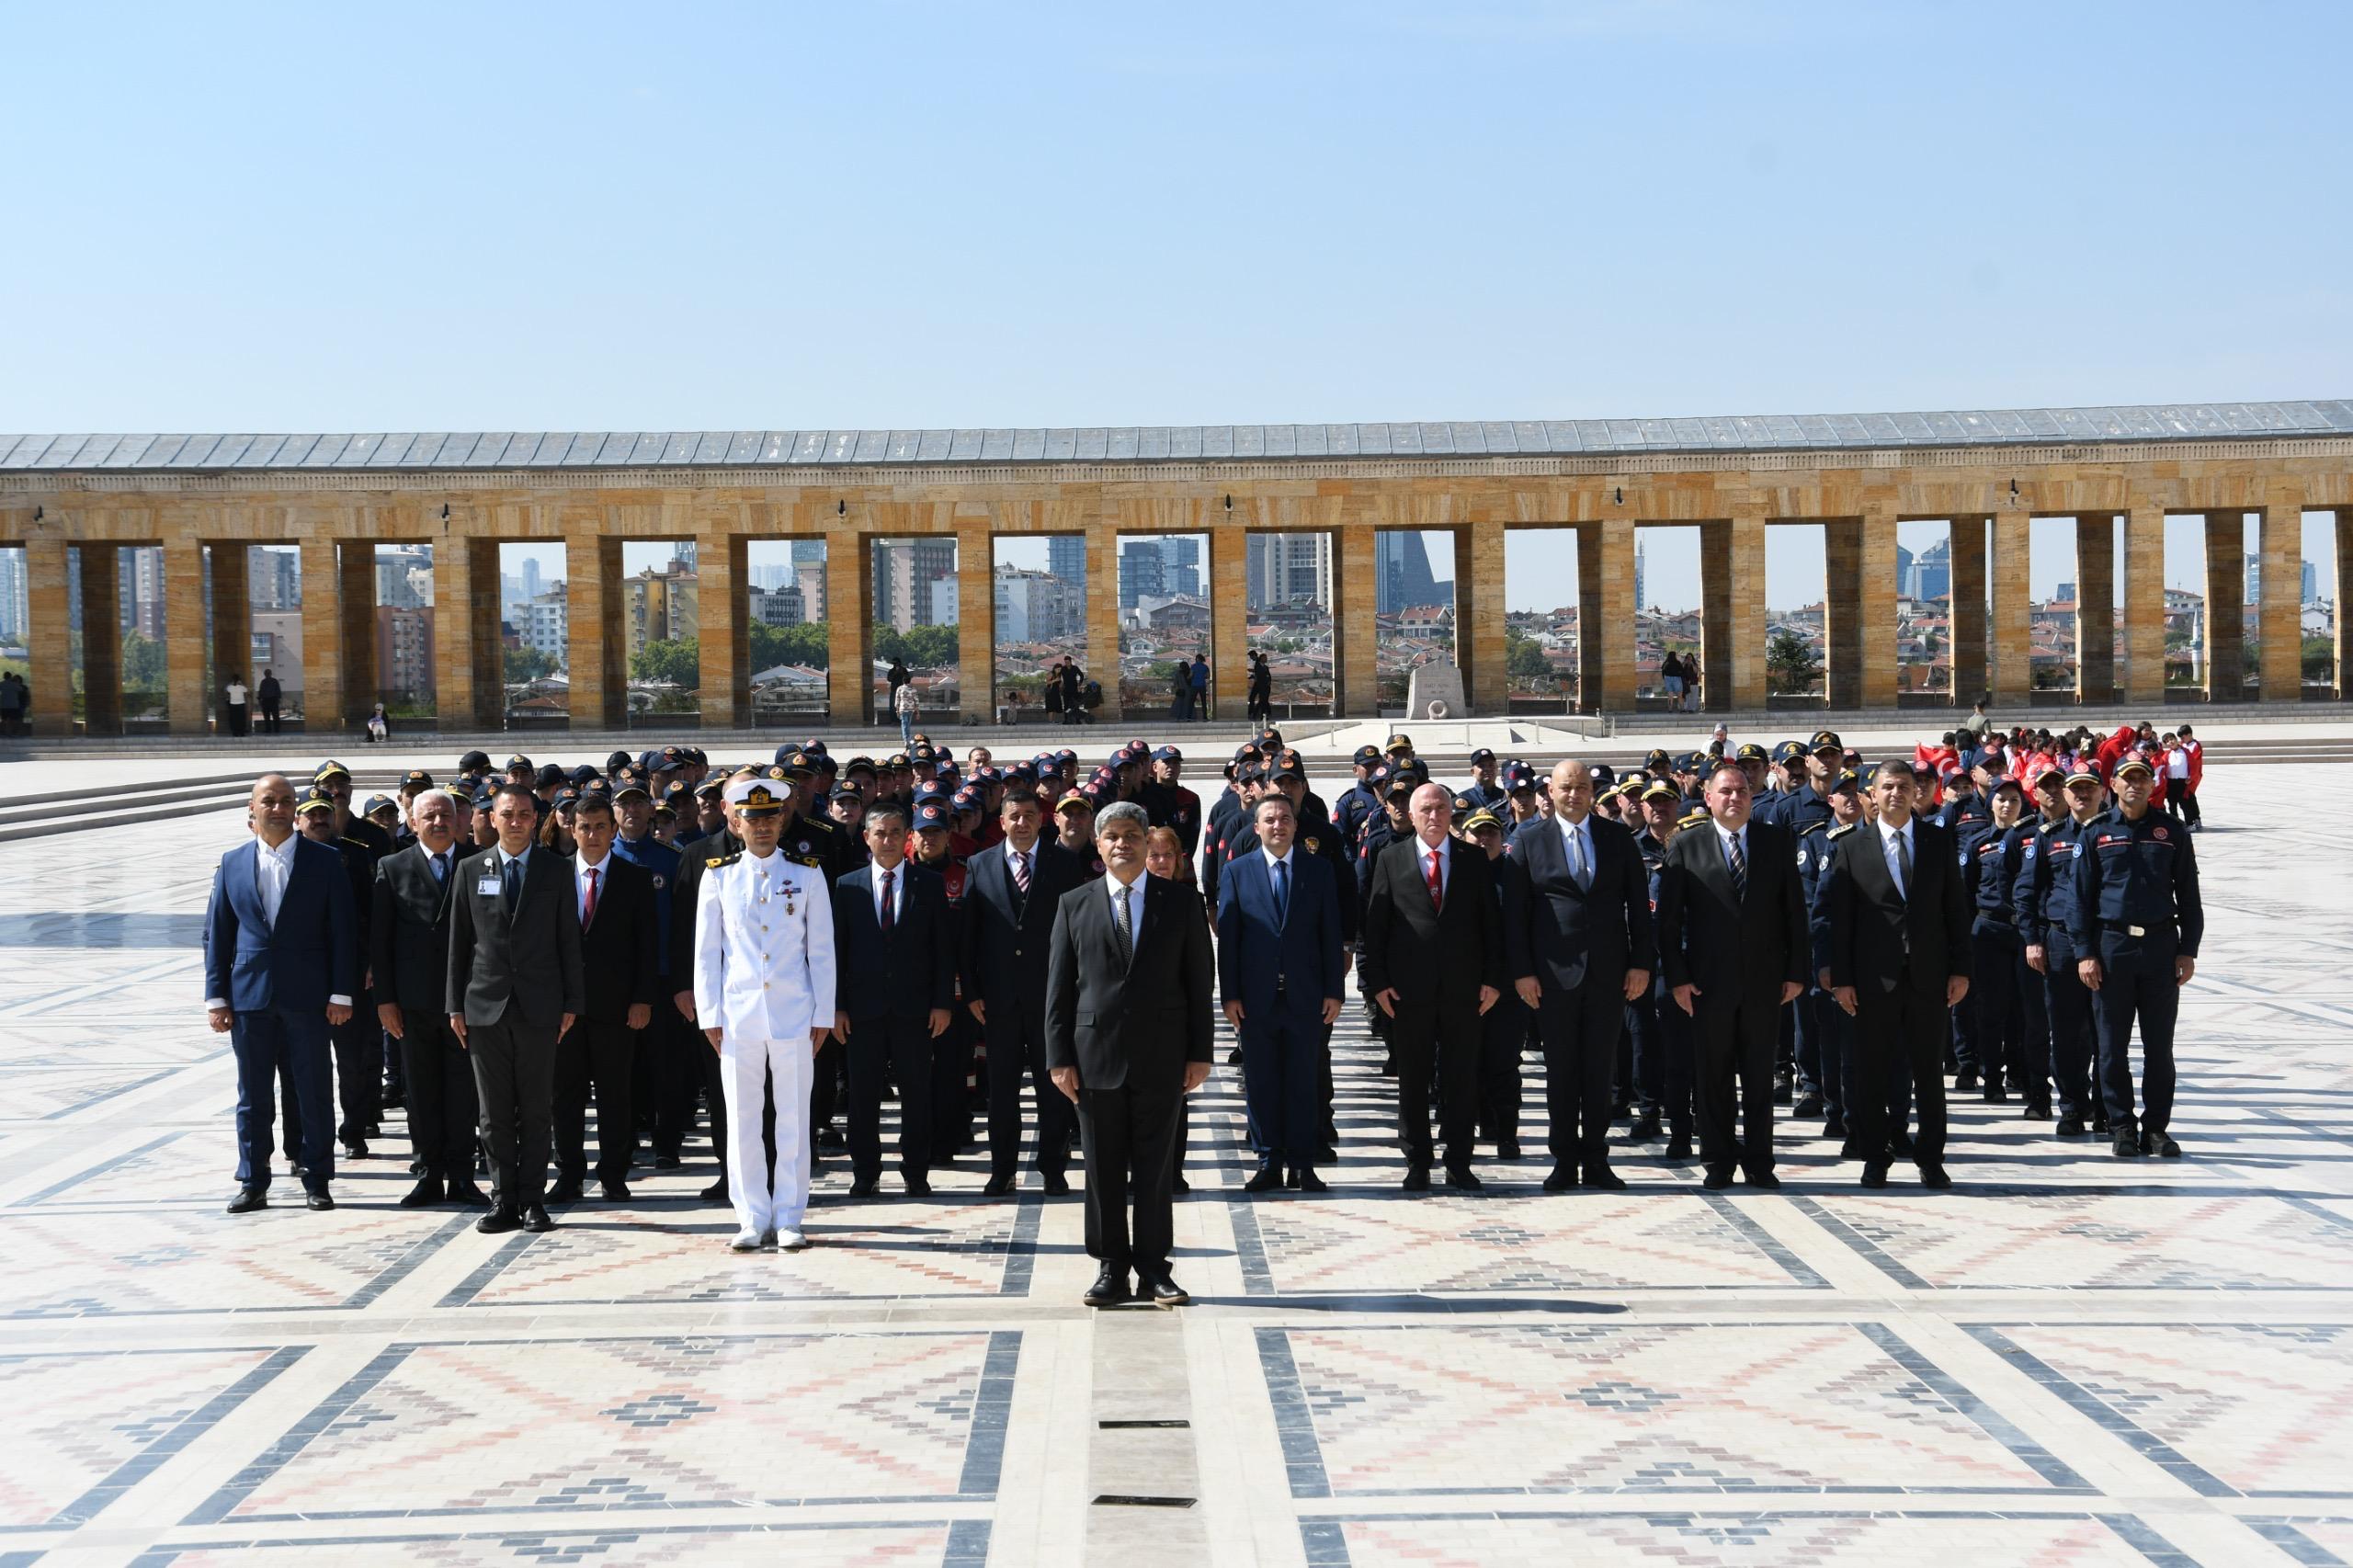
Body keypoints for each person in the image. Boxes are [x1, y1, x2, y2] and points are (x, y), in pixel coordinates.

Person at [1046, 801, 1214, 1308]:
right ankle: (1110, 1266)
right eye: (1112, 836)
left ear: (1147, 843)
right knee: (1101, 1168)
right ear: (1098, 846)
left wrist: (1199, 1053)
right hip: (1093, 1058)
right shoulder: (1074, 904)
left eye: (1132, 835)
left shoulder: (1181, 903)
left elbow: (1198, 982)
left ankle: (1155, 1268)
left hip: (1162, 1057)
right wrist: (1059, 1057)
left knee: (1156, 1169)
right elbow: (1059, 989)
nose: (1123, 843)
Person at [694, 777, 836, 1249]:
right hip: (738, 1014)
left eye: (770, 817)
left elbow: (821, 949)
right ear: (737, 823)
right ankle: (752, 1216)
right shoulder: (718, 875)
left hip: (794, 1011)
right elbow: (707, 952)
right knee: (743, 1119)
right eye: (753, 819)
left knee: (794, 1118)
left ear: (782, 820)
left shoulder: (807, 873)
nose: (762, 827)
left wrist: (823, 1013)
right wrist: (710, 1013)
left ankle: (791, 1214)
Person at [207, 775, 358, 1214]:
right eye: (267, 801)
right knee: (252, 1095)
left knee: (312, 1090)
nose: (276, 808)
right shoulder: (232, 862)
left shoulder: (324, 861)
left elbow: (342, 933)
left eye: (284, 801)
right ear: (251, 811)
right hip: (250, 998)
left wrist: (341, 994)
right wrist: (217, 997)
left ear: (295, 809)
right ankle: (253, 1179)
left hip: (309, 996)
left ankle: (317, 1176)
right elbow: (219, 934)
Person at [1654, 761, 1808, 1190]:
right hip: (1708, 985)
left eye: (1741, 790)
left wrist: (1796, 970)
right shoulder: (1687, 844)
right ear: (1708, 798)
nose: (1734, 798)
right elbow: (1669, 923)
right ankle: (1718, 1161)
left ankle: (1760, 1161)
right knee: (1714, 1077)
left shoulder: (1775, 842)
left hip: (1764, 983)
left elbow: (1794, 911)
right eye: (1725, 791)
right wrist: (1679, 978)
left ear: (1752, 795)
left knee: (1760, 1077)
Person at [1506, 757, 1656, 1192]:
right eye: (1565, 788)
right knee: (1561, 1072)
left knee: (1599, 1070)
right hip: (1553, 977)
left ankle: (1596, 1157)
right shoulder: (1529, 840)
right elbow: (1515, 916)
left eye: (1582, 788)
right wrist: (1523, 973)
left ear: (1592, 793)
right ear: (1549, 791)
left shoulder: (1617, 838)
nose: (1574, 795)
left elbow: (1638, 908)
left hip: (1609, 974)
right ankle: (1564, 1159)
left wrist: (1641, 963)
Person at [1823, 761, 1972, 1189]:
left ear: (1917, 792)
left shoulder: (1938, 841)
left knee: (1928, 1074)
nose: (1896, 794)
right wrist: (1843, 980)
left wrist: (1961, 968)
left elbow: (1955, 910)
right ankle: (1874, 1157)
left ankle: (1931, 1157)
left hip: (1928, 976)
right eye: (1887, 787)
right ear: (1872, 793)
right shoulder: (1852, 846)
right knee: (1871, 1072)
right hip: (1873, 981)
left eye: (1905, 786)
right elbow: (1841, 921)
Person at [447, 782, 585, 1235]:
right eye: (508, 813)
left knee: (536, 1107)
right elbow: (458, 944)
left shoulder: (555, 870)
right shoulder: (470, 868)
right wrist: (454, 1005)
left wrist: (571, 1002)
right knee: (494, 1112)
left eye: (525, 814)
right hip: (485, 1006)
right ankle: (502, 1198)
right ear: (491, 818)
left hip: (540, 1006)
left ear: (535, 818)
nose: (516, 821)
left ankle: (533, 1199)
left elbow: (569, 940)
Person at [1360, 781, 1504, 1190]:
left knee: (1461, 1078)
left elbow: (1491, 925)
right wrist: (1378, 984)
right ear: (1412, 814)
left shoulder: (1473, 859)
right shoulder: (1390, 859)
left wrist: (1493, 980)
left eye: (1441, 808)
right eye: (1425, 810)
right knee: (1413, 1078)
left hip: (1465, 991)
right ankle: (1417, 1160)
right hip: (1409, 993)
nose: (1434, 816)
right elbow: (1376, 927)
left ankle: (1459, 1160)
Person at [2068, 756, 2202, 1159]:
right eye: (2128, 779)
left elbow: (2190, 896)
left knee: (2159, 1047)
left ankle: (2157, 1128)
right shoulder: (2096, 833)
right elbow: (2079, 899)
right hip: (2111, 948)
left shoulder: (2172, 831)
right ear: (2113, 784)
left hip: (2160, 948)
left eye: (2142, 779)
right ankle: (2122, 1123)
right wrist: (2084, 953)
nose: (2135, 786)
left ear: (2153, 783)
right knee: (2111, 1047)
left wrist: (2188, 949)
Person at [1217, 791, 1347, 1193]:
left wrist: (1334, 991)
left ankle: (1303, 1163)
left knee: (1305, 1081)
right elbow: (1230, 940)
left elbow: (1330, 935)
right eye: (1270, 819)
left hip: (1306, 998)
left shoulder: (1319, 870)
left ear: (1295, 824)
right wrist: (1230, 995)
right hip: (1256, 1000)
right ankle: (1269, 1160)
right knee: (1262, 1082)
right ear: (1256, 828)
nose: (1278, 825)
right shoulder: (1238, 872)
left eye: (1285, 819)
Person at [963, 789, 1085, 1196]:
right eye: (1014, 815)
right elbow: (970, 933)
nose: (1022, 823)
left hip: (1051, 998)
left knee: (1055, 1087)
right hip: (998, 1000)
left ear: (1041, 819)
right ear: (1001, 821)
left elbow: (1077, 934)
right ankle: (1002, 1169)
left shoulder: (1064, 864)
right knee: (1001, 1090)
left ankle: (1054, 1167)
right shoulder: (979, 865)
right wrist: (974, 990)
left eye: (1029, 815)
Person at [832, 803, 956, 1196]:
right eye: (879, 833)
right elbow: (835, 951)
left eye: (895, 832)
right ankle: (865, 1171)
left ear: (907, 838)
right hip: (862, 1010)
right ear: (866, 837)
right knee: (863, 1094)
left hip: (915, 1009)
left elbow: (942, 949)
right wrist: (835, 1006)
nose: (887, 840)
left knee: (917, 1093)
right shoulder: (846, 885)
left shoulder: (928, 884)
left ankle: (916, 1171)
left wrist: (942, 1003)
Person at [369, 789, 485, 1209]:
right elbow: (380, 940)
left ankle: (462, 1174)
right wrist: (385, 1000)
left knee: (463, 1093)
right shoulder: (392, 866)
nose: (438, 823)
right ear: (412, 822)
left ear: (459, 822)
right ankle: (428, 1173)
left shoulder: (479, 864)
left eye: (445, 816)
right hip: (414, 1004)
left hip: (467, 1002)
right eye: (429, 816)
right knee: (420, 1092)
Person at [551, 790, 660, 1204]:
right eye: (585, 827)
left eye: (601, 827)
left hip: (618, 1008)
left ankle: (614, 1173)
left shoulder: (635, 877)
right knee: (565, 1094)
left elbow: (648, 944)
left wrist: (643, 999)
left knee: (616, 1093)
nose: (593, 835)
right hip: (564, 1010)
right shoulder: (553, 876)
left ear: (613, 830)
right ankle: (569, 1174)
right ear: (571, 830)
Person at [2017, 764, 2109, 1138]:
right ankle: (2072, 1106)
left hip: (2105, 941)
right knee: (2066, 1031)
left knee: (2106, 1034)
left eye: (2089, 788)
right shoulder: (2048, 837)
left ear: (2103, 791)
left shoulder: (2113, 834)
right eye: (2076, 789)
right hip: (2061, 944)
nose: (2081, 795)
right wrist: (2033, 939)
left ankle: (2105, 1108)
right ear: (2067, 796)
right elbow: (2026, 892)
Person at [892, 676, 919, 752]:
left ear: (903, 681)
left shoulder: (899, 688)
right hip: (911, 709)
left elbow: (897, 700)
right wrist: (918, 712)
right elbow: (916, 701)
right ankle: (908, 738)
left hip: (902, 709)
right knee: (908, 724)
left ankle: (906, 740)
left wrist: (897, 711)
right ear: (909, 681)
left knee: (904, 724)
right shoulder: (913, 689)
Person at [1246, 650, 1271, 725]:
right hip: (1260, 685)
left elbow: (1261, 674)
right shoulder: (1258, 664)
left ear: (1254, 655)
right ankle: (1263, 714)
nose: (1251, 658)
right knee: (1262, 700)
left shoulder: (1260, 664)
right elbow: (1258, 673)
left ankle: (1255, 714)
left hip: (1261, 685)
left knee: (1261, 700)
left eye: (1251, 657)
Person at [222, 673, 250, 737]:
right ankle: (242, 732)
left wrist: (232, 683)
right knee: (241, 719)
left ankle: (235, 732)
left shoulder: (230, 687)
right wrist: (241, 683)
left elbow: (226, 690)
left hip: (233, 704)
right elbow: (247, 690)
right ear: (239, 680)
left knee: (234, 719)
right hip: (241, 704)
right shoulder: (242, 687)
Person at [0, 670, 26, 735]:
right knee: (14, 719)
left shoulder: (1, 684)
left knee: (4, 719)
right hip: (14, 705)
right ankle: (12, 732)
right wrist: (16, 682)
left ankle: (3, 731)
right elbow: (21, 689)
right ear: (10, 677)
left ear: (4, 677)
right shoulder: (14, 684)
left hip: (4, 705)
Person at [256, 668, 282, 733]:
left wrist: (259, 699)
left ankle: (269, 729)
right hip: (273, 700)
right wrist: (279, 699)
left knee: (267, 716)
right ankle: (276, 729)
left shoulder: (263, 682)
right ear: (271, 674)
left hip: (266, 700)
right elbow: (278, 690)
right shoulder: (274, 681)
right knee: (275, 716)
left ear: (265, 674)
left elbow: (261, 692)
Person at [1191, 653, 1212, 722]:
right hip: (1202, 685)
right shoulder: (1205, 667)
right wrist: (1202, 676)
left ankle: (1189, 716)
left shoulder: (1193, 666)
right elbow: (1208, 676)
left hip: (1194, 685)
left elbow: (1190, 675)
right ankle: (1205, 717)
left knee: (1192, 701)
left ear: (1197, 659)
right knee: (1203, 702)